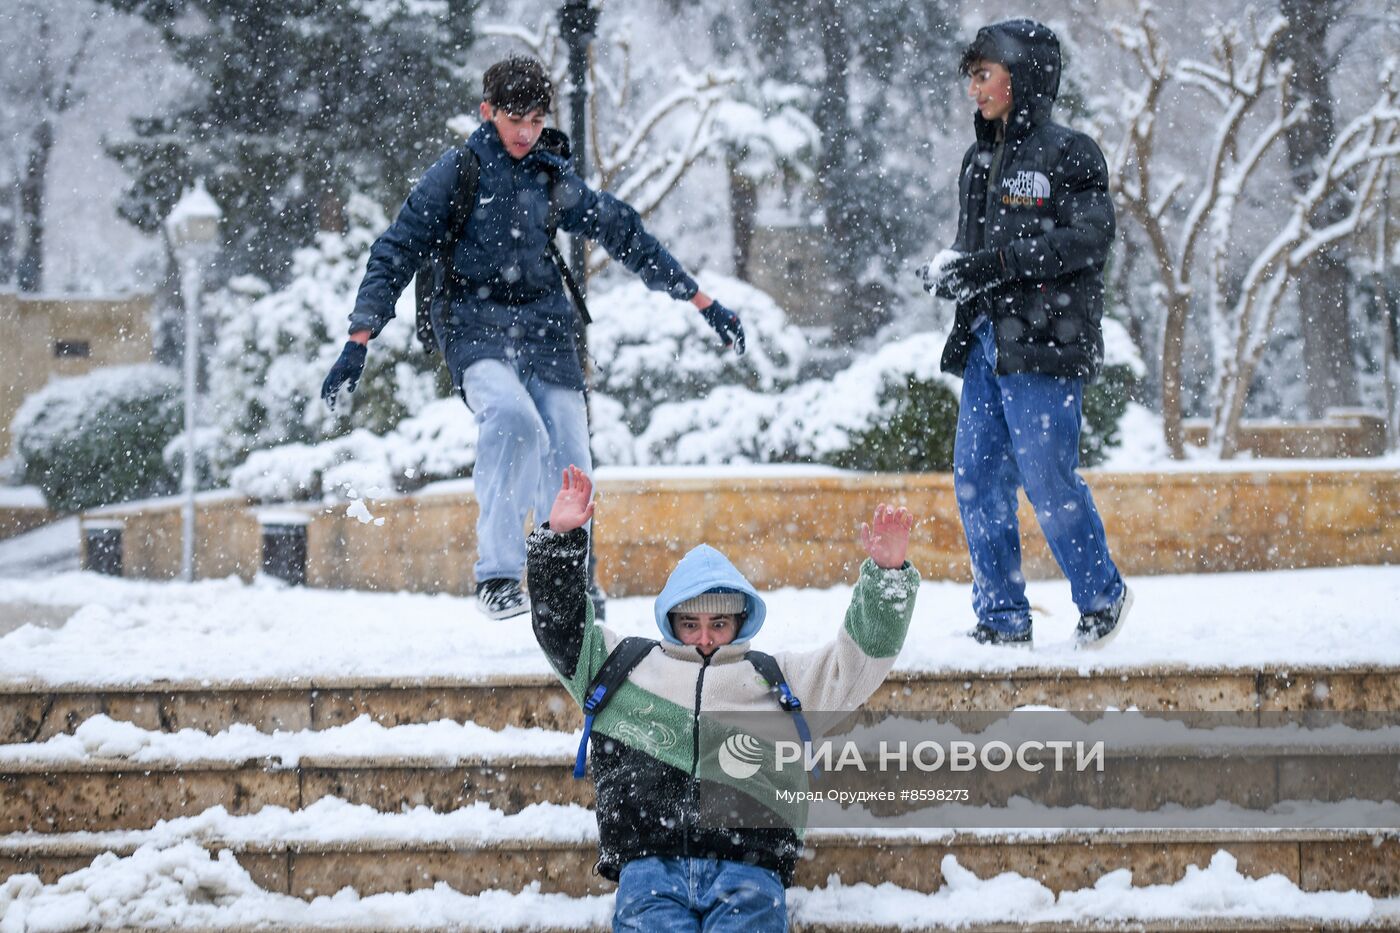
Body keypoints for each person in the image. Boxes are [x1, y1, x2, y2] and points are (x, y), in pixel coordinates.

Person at [320, 56, 745, 621]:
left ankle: (564, 578)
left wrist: (699, 298)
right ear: (487, 112)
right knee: (513, 422)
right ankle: (497, 575)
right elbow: (396, 249)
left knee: (570, 451)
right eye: (514, 118)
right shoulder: (458, 172)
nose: (525, 132)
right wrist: (360, 336)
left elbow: (620, 229)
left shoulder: (550, 177)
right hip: (472, 321)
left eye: (536, 120)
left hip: (544, 324)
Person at [529, 465, 919, 931]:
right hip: (649, 865)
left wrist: (886, 578)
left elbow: (856, 665)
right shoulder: (623, 667)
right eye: (690, 624)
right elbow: (562, 628)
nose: (705, 638)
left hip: (749, 866)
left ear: (741, 622)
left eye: (719, 624)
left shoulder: (779, 681)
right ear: (670, 622)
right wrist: (559, 541)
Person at [920, 19, 1131, 648]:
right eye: (971, 77)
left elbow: (1091, 239)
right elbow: (974, 249)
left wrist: (1001, 265)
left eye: (984, 75)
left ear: (1024, 76)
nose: (973, 90)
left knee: (1047, 476)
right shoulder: (976, 162)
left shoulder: (1072, 153)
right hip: (988, 340)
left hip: (1047, 341)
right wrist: (952, 273)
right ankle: (1002, 617)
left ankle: (1101, 596)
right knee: (976, 478)